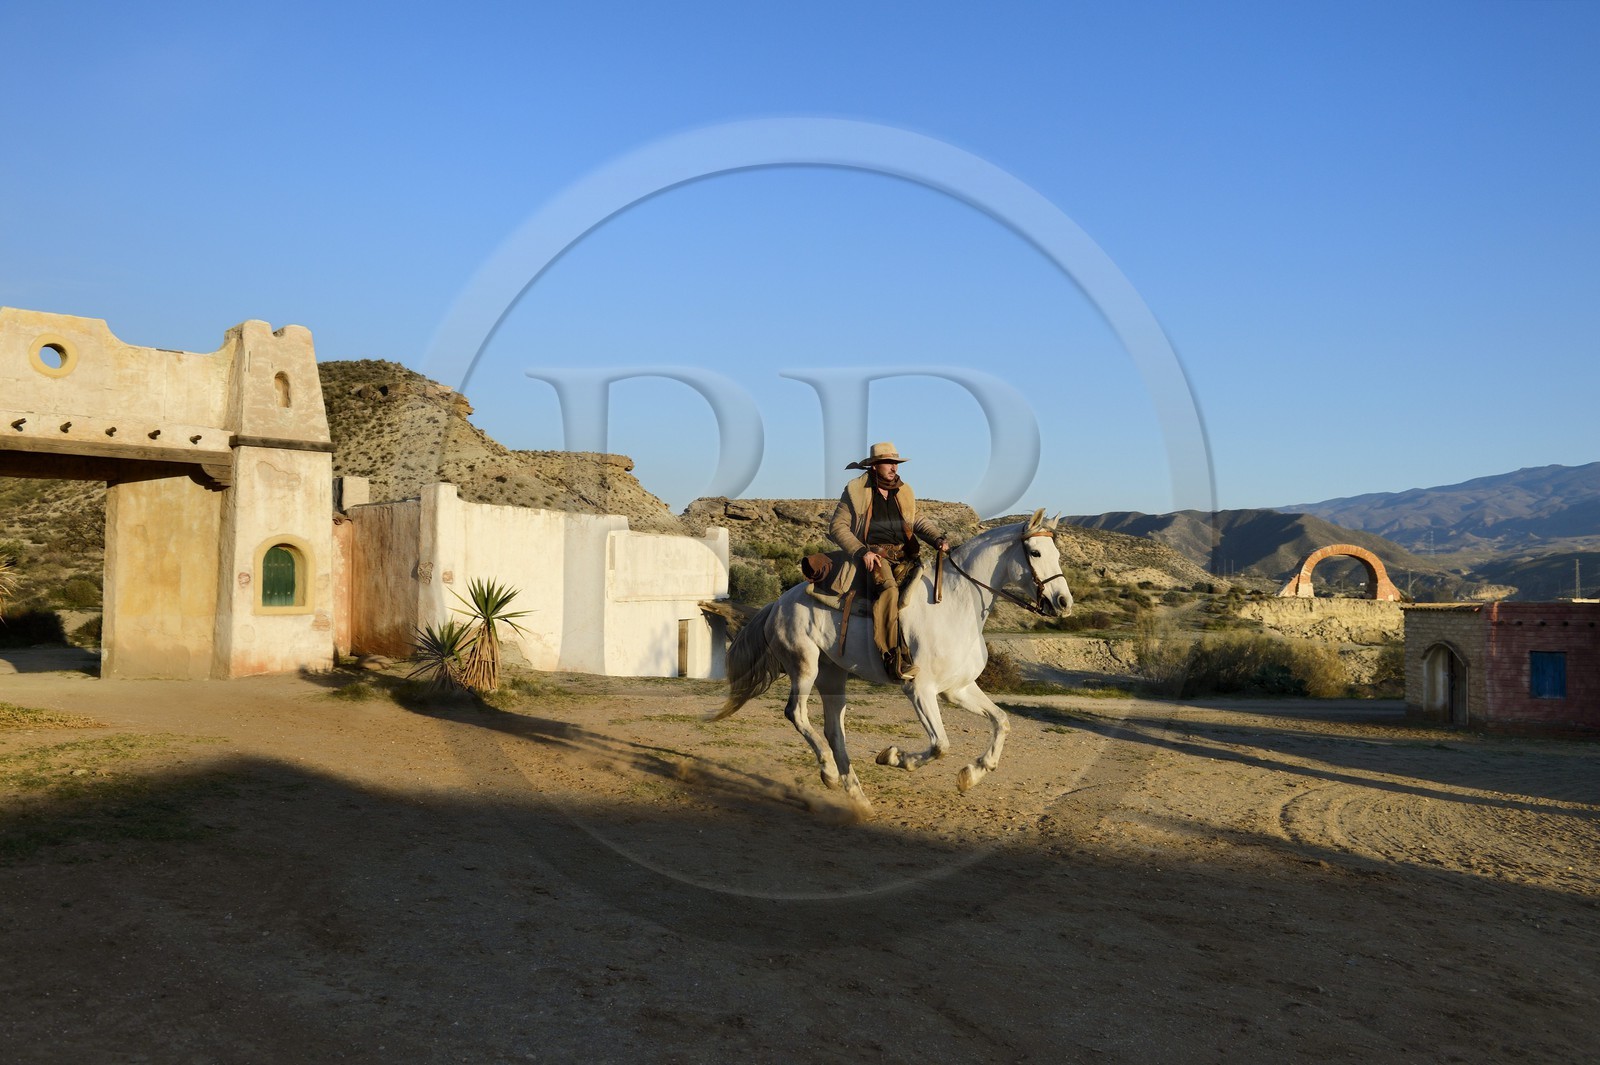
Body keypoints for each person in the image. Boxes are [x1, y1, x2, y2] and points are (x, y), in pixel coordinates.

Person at [828, 441, 948, 681]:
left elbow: (917, 520)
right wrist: (862, 552)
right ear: (874, 466)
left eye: (895, 462)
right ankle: (891, 657)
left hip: (904, 555)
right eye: (888, 463)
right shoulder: (856, 491)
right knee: (889, 589)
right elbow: (837, 527)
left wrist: (937, 538)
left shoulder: (902, 491)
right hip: (874, 555)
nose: (894, 467)